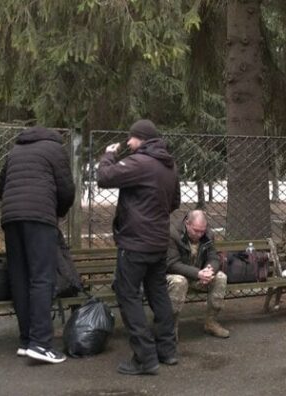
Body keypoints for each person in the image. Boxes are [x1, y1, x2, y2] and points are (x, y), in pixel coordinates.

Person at [97, 119, 180, 375]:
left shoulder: (140, 162)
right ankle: (167, 351)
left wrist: (108, 155)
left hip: (135, 243)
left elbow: (104, 177)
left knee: (128, 294)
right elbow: (174, 202)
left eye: (131, 138)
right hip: (158, 242)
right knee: (158, 294)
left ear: (141, 138)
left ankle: (145, 357)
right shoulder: (169, 165)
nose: (128, 142)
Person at [0, 126, 75, 364]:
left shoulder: (14, 151)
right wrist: (57, 212)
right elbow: (66, 188)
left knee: (19, 277)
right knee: (42, 278)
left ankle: (26, 340)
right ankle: (41, 344)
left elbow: (1, 188)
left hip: (11, 219)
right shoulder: (55, 149)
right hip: (39, 218)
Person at [166, 210, 230, 338]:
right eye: (196, 230)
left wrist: (209, 271)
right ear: (187, 223)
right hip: (172, 275)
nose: (200, 234)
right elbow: (172, 264)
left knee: (220, 277)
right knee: (179, 281)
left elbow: (213, 257)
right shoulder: (172, 233)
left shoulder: (208, 234)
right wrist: (198, 273)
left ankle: (211, 323)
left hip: (197, 275)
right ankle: (170, 328)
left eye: (202, 230)